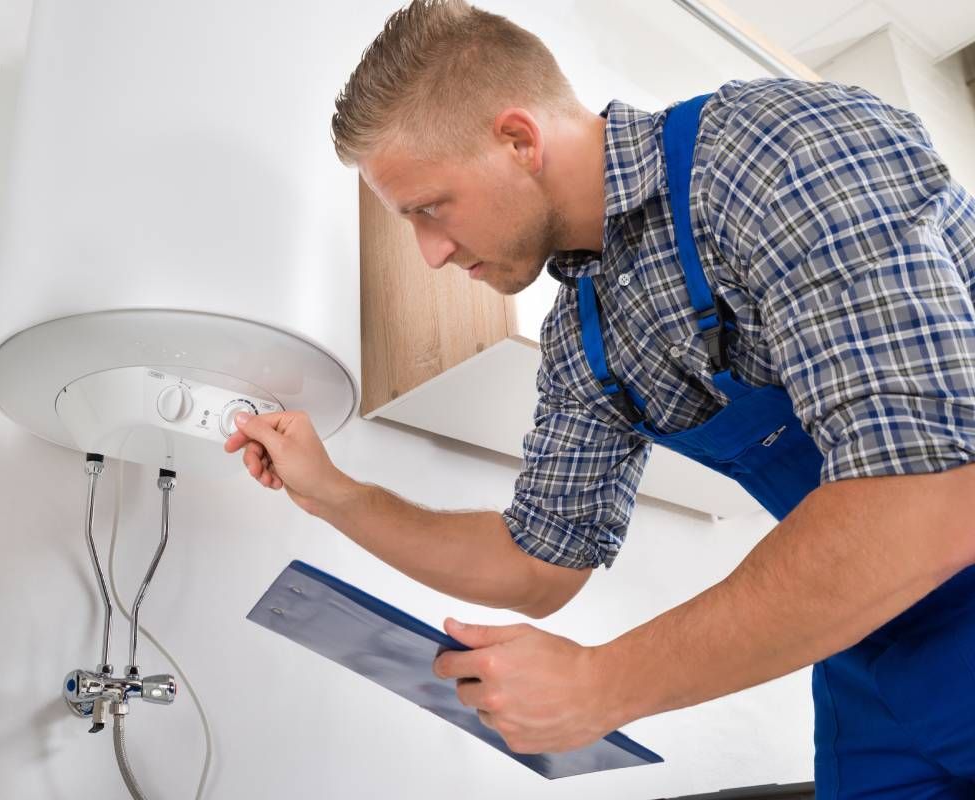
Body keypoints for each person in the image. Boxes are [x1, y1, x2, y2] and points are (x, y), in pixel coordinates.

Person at [223, 1, 975, 795]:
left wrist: (603, 683)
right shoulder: (586, 336)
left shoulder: (773, 150)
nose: (431, 253)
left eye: (429, 208)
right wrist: (333, 492)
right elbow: (536, 566)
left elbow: (926, 495)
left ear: (518, 140)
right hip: (878, 655)